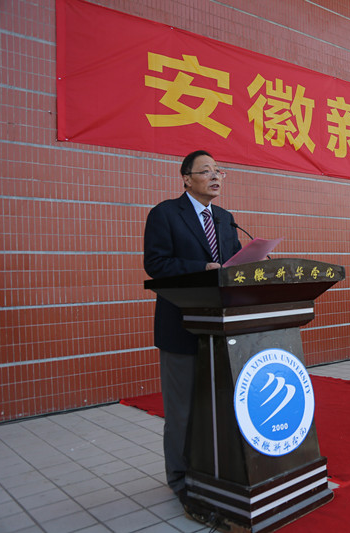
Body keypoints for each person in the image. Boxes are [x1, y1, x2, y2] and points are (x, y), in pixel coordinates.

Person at [143, 150, 242, 506]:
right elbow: (156, 264)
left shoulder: (225, 219)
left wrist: (250, 265)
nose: (215, 177)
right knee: (182, 411)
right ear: (186, 178)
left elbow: (233, 265)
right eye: (206, 171)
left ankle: (214, 469)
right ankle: (180, 479)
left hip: (221, 330)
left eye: (219, 171)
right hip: (181, 327)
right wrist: (202, 268)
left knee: (218, 406)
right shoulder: (166, 214)